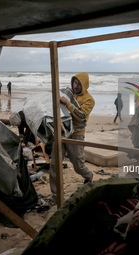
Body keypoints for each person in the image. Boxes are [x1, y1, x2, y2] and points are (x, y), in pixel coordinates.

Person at [49, 72, 95, 205]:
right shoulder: (68, 93)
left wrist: (67, 103)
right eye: (74, 82)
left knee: (78, 166)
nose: (76, 86)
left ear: (84, 85)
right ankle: (56, 195)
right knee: (54, 164)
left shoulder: (89, 100)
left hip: (76, 135)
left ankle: (89, 176)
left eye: (79, 83)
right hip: (62, 132)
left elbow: (81, 116)